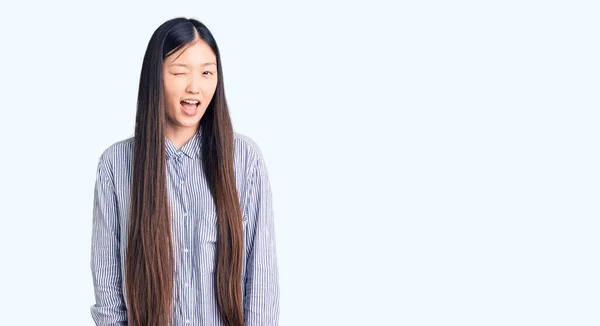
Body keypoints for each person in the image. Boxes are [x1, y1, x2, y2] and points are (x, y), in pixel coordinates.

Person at [89, 17, 280, 326]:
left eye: (207, 72)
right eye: (180, 72)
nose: (195, 86)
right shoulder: (116, 164)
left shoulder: (244, 160)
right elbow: (109, 294)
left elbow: (262, 287)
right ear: (156, 77)